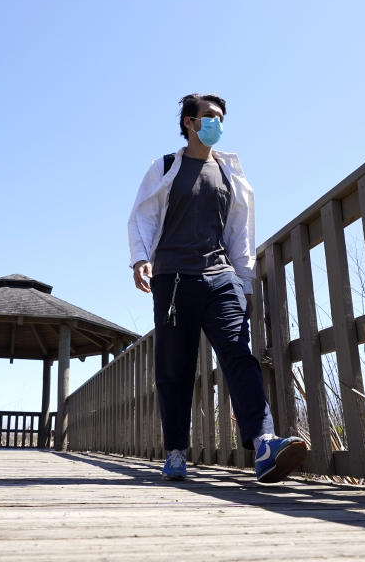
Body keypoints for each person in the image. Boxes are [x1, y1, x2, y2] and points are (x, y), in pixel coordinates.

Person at [127, 93, 307, 483]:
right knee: (175, 369)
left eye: (221, 117)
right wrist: (141, 259)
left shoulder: (229, 173)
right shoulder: (166, 166)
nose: (217, 123)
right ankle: (175, 451)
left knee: (240, 355)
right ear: (189, 123)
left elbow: (240, 231)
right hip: (174, 280)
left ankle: (263, 443)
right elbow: (142, 215)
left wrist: (245, 283)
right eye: (209, 116)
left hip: (220, 277)